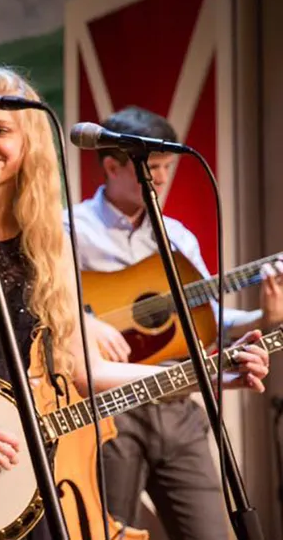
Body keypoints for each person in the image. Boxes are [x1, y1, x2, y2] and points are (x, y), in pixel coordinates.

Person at [0, 66, 270, 540]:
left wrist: (208, 376)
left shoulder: (50, 244)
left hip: (18, 473)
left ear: (30, 142)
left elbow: (83, 370)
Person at [67, 106, 283, 539]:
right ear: (111, 166)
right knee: (108, 533)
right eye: (153, 168)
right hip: (109, 410)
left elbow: (206, 321)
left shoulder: (177, 236)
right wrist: (86, 321)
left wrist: (266, 316)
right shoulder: (69, 228)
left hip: (178, 400)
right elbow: (43, 308)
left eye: (167, 168)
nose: (161, 179)